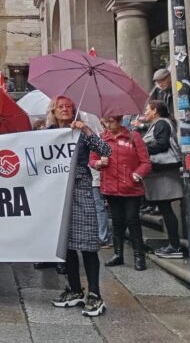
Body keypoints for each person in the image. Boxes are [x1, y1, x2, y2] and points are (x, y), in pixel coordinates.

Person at [47, 96, 111, 317]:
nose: (65, 109)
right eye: (60, 107)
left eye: (68, 107)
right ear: (53, 112)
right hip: (57, 190)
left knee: (87, 243)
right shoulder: (49, 134)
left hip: (81, 188)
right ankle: (75, 289)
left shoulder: (82, 133)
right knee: (66, 244)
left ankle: (94, 293)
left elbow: (105, 150)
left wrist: (86, 130)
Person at [92, 116, 151, 271]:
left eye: (110, 121)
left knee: (132, 220)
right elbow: (92, 159)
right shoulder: (101, 138)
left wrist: (137, 175)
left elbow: (145, 162)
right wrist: (98, 163)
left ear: (119, 121)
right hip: (111, 188)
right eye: (105, 121)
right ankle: (118, 254)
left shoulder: (134, 136)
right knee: (117, 222)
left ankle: (139, 256)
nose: (107, 124)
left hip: (131, 187)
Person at [141, 100, 184, 259]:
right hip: (162, 173)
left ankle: (175, 246)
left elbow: (162, 144)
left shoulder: (161, 123)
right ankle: (174, 245)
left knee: (166, 210)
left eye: (147, 110)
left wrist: (141, 147)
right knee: (166, 210)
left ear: (155, 110)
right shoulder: (159, 123)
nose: (145, 112)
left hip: (163, 173)